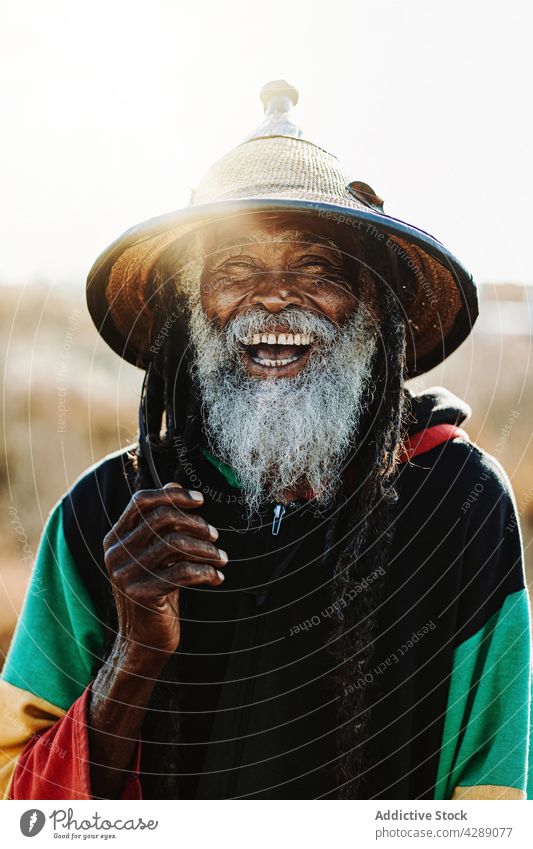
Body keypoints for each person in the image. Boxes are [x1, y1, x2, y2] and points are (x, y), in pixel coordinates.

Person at [1, 81, 531, 801]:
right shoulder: (104, 514)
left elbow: (496, 790)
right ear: (190, 309)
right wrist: (132, 654)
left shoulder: (457, 498)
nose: (275, 297)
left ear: (371, 308)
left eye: (317, 269)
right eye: (235, 270)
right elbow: (17, 802)